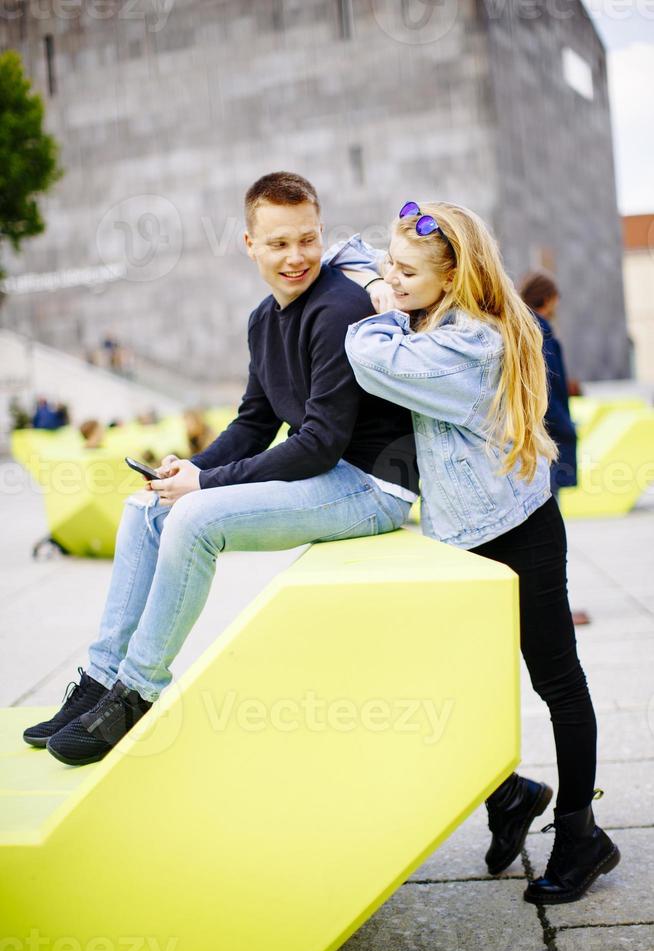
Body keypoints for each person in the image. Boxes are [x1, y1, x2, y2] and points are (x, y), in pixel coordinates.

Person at [23, 172, 418, 767]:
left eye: (308, 240)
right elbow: (254, 422)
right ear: (249, 244)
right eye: (279, 243)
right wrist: (189, 467)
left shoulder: (340, 309)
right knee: (146, 505)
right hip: (327, 476)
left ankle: (136, 693)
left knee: (195, 519)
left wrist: (204, 485)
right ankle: (99, 681)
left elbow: (318, 444)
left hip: (370, 485)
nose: (296, 257)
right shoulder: (264, 320)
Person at [330, 201, 619, 905]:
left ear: (453, 276)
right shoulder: (432, 312)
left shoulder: (468, 344)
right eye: (391, 267)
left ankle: (581, 835)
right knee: (446, 686)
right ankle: (511, 794)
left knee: (557, 682)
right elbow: (344, 246)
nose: (393, 279)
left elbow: (368, 357)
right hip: (464, 538)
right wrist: (384, 269)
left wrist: (375, 299)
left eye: (406, 271)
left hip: (517, 531)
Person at [519, 271, 590, 627]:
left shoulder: (518, 327)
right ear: (547, 300)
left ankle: (544, 610)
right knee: (550, 536)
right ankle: (557, 612)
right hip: (550, 444)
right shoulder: (542, 333)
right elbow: (549, 391)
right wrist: (569, 431)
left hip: (530, 444)